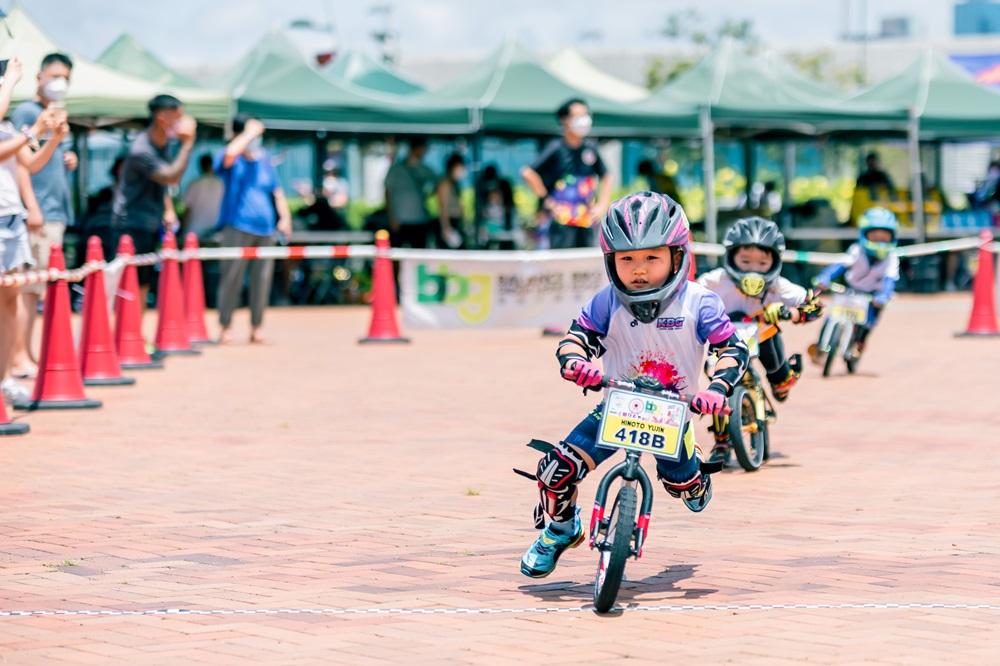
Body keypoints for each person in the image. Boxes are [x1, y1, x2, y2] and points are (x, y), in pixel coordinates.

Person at [518, 191, 750, 579]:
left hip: (674, 413)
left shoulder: (700, 302)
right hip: (616, 406)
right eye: (627, 259)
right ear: (611, 261)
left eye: (651, 257)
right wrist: (576, 363)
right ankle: (560, 530)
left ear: (677, 256)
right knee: (555, 471)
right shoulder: (606, 302)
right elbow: (575, 340)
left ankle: (691, 478)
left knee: (684, 486)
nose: (639, 269)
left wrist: (716, 390)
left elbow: (731, 349)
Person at [697, 217, 823, 462]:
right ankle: (722, 441)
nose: (753, 269)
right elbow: (688, 301)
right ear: (731, 257)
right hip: (725, 341)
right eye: (745, 261)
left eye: (762, 263)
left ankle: (782, 377)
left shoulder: (777, 285)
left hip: (761, 335)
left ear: (774, 262)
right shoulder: (714, 281)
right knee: (717, 381)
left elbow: (814, 304)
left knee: (775, 358)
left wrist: (791, 312)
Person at [0, 58, 65, 404]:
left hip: (11, 220)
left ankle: (5, 377)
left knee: (9, 303)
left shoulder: (9, 126)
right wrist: (33, 129)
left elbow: (31, 163)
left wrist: (53, 139)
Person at [9, 53, 76, 379]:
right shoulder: (25, 112)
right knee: (26, 290)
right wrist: (32, 205)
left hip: (54, 210)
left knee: (34, 290)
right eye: (55, 75)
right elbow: (23, 163)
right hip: (37, 212)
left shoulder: (55, 113)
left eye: (65, 76)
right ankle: (18, 357)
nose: (60, 82)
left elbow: (37, 159)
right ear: (39, 77)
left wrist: (64, 150)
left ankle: (26, 354)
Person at [111, 94, 197, 308]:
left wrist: (168, 209)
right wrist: (188, 144)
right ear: (161, 117)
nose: (181, 122)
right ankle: (127, 335)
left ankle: (137, 335)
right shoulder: (141, 149)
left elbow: (161, 183)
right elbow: (169, 176)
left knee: (143, 281)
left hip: (148, 220)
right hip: (130, 222)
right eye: (177, 117)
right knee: (130, 282)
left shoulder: (163, 143)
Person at [214, 115, 291, 344]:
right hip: (237, 225)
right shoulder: (232, 157)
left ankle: (257, 326)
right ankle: (225, 325)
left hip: (265, 229)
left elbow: (276, 191)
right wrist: (248, 133)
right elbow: (229, 155)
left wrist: (285, 217)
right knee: (232, 277)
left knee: (262, 279)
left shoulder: (265, 160)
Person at [521, 98, 613, 249]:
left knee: (584, 262)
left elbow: (607, 176)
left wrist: (603, 205)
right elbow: (528, 173)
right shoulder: (556, 148)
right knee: (560, 262)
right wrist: (547, 200)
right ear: (565, 120)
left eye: (586, 115)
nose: (584, 120)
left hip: (586, 218)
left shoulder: (590, 148)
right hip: (561, 219)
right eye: (578, 116)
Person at [811, 207, 900, 363]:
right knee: (833, 314)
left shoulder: (892, 258)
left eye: (884, 237)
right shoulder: (856, 251)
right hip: (851, 290)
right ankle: (820, 346)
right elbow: (839, 266)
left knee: (869, 322)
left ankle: (858, 345)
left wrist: (884, 295)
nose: (879, 241)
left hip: (873, 297)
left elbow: (889, 281)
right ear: (864, 235)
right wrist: (825, 277)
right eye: (875, 237)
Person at [384, 137, 435, 248]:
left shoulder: (425, 169)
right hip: (400, 220)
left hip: (420, 220)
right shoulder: (396, 169)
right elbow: (387, 192)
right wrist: (391, 217)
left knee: (419, 255)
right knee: (397, 254)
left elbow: (438, 186)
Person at [181, 153, 223, 239]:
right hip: (216, 231)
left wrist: (183, 230)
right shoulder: (222, 184)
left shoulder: (194, 184)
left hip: (195, 231)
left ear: (200, 166)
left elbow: (187, 209)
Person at [476, 164, 515, 248]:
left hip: (503, 224)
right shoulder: (485, 191)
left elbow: (509, 206)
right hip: (491, 227)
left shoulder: (504, 186)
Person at [434, 152, 466, 249]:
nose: (462, 171)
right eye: (460, 167)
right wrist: (446, 228)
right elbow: (442, 207)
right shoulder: (444, 184)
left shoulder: (455, 184)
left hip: (456, 223)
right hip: (449, 225)